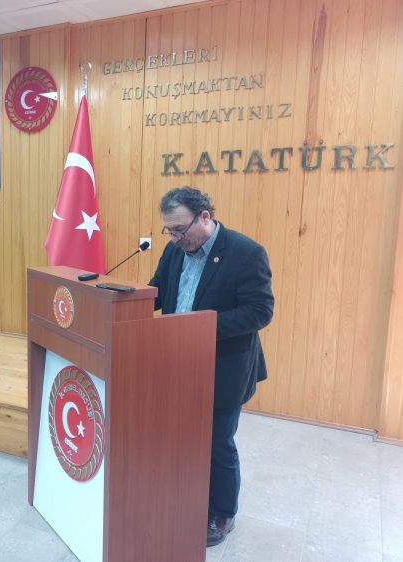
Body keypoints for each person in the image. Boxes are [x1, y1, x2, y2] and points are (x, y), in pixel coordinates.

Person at [148, 186, 274, 547]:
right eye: (169, 231)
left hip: (223, 367)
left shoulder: (245, 252)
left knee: (217, 444)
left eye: (180, 229)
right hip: (177, 364)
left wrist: (200, 327)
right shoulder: (174, 250)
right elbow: (158, 291)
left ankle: (222, 512)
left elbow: (260, 311)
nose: (175, 238)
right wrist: (122, 299)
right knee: (181, 438)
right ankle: (186, 496)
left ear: (205, 216)